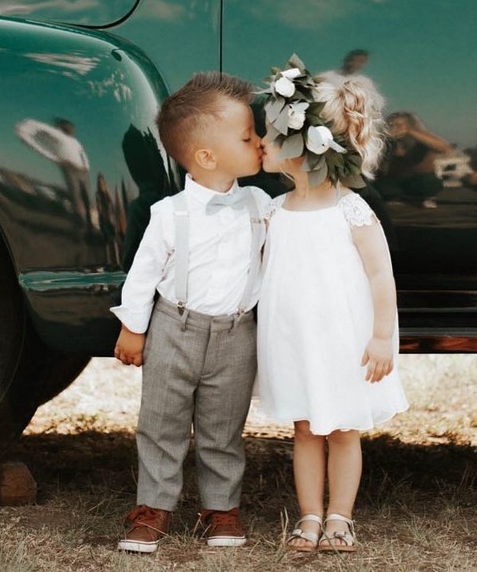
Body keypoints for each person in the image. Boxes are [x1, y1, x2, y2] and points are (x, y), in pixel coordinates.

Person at [110, 72, 270, 554]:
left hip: (236, 332)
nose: (260, 143)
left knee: (224, 427)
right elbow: (142, 274)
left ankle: (221, 509)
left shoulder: (262, 205)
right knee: (161, 422)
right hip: (174, 328)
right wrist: (133, 329)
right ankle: (153, 508)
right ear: (206, 156)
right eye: (248, 137)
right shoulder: (169, 213)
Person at [257, 58, 408, 553]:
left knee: (342, 428)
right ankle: (309, 516)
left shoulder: (350, 208)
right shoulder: (275, 211)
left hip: (343, 341)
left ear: (302, 145)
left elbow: (379, 274)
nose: (261, 143)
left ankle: (340, 517)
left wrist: (382, 335)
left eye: (271, 135)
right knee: (305, 427)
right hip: (295, 341)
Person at [376, 111, 452, 208]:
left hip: (420, 180)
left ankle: (422, 198)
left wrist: (409, 131)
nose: (395, 127)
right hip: (396, 182)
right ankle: (398, 198)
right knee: (379, 186)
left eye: (399, 125)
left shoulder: (421, 140)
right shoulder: (386, 142)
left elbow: (444, 148)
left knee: (430, 183)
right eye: (391, 125)